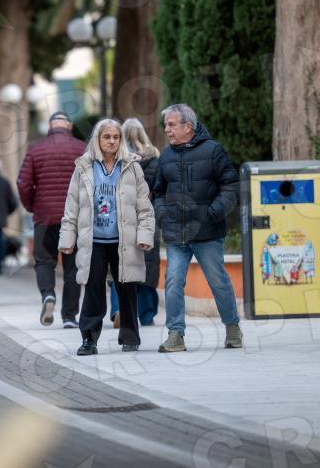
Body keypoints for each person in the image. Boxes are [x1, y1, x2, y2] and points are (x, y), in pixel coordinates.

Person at [59, 119, 155, 356]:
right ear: (97, 139)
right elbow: (72, 206)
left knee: (127, 289)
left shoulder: (132, 167)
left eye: (116, 137)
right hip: (94, 242)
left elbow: (144, 207)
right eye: (107, 137)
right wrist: (67, 239)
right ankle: (89, 339)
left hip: (125, 241)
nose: (112, 141)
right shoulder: (83, 167)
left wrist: (144, 235)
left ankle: (130, 337)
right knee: (93, 290)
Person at [153, 104, 242, 352]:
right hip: (176, 233)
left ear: (188, 127)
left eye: (171, 125)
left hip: (207, 232)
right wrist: (162, 214)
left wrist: (213, 213)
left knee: (218, 281)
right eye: (166, 125)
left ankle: (232, 328)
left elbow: (231, 186)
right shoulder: (166, 156)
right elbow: (158, 192)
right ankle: (175, 334)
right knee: (173, 281)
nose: (166, 129)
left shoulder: (213, 151)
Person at [17, 112, 86, 328]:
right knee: (72, 266)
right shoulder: (82, 148)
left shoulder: (35, 149)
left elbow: (23, 183)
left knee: (44, 261)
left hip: (45, 216)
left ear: (50, 126)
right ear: (69, 126)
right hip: (74, 217)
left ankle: (48, 294)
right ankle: (69, 316)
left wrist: (31, 205)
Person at [108, 118, 161, 327]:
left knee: (120, 265)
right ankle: (146, 314)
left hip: (121, 217)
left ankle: (118, 309)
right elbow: (160, 189)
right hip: (147, 216)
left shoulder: (117, 159)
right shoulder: (155, 158)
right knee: (148, 265)